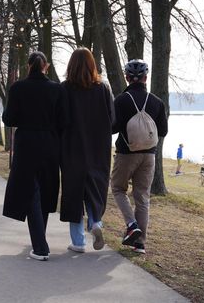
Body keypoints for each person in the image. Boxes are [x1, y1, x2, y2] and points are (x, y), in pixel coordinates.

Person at [2, 51, 63, 261]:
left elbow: (9, 119)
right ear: (45, 66)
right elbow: (63, 120)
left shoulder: (18, 88)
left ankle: (40, 246)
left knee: (30, 191)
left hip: (26, 143)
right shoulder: (56, 89)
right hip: (50, 143)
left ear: (28, 66)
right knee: (45, 191)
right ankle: (40, 240)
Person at [59, 48, 114, 253]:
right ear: (93, 65)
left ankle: (78, 242)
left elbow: (61, 120)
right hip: (98, 149)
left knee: (74, 194)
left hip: (72, 148)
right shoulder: (103, 89)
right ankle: (95, 223)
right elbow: (112, 120)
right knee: (94, 190)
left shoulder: (64, 89)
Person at [111, 59, 168, 254]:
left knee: (118, 189)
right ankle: (140, 244)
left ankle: (131, 224)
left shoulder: (121, 100)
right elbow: (163, 131)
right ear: (146, 77)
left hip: (126, 154)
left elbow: (112, 128)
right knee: (142, 197)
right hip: (149, 156)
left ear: (127, 78)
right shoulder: (157, 102)